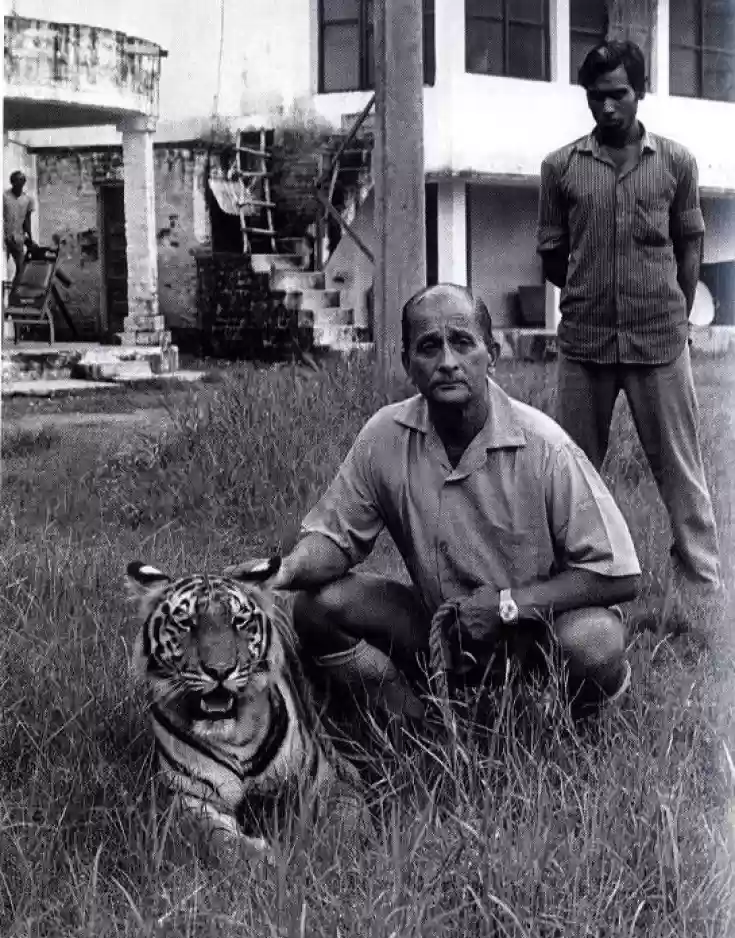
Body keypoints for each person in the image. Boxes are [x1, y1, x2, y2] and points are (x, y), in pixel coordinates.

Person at [264, 283, 641, 723]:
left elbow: (621, 576)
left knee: (593, 640)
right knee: (317, 607)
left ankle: (572, 723)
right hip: (442, 630)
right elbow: (334, 538)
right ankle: (414, 723)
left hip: (535, 629)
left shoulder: (546, 447)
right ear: (408, 364)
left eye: (462, 343)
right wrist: (281, 572)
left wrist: (508, 606)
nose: (447, 362)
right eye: (428, 347)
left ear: (492, 355)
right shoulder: (384, 437)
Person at [537, 40, 721, 626]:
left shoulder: (675, 163)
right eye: (596, 97)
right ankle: (565, 592)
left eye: (617, 94)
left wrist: (675, 314)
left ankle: (702, 595)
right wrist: (592, 293)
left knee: (680, 469)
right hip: (586, 344)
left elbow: (690, 243)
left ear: (640, 92)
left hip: (660, 343)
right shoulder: (560, 167)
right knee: (568, 472)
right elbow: (552, 255)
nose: (607, 107)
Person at [3, 171, 34, 286]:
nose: (19, 183)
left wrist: (30, 238)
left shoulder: (28, 200)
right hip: (3, 240)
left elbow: (27, 221)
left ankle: (12, 296)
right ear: (12, 182)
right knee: (2, 270)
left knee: (21, 269)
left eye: (22, 180)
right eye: (16, 180)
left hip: (18, 239)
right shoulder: (4, 197)